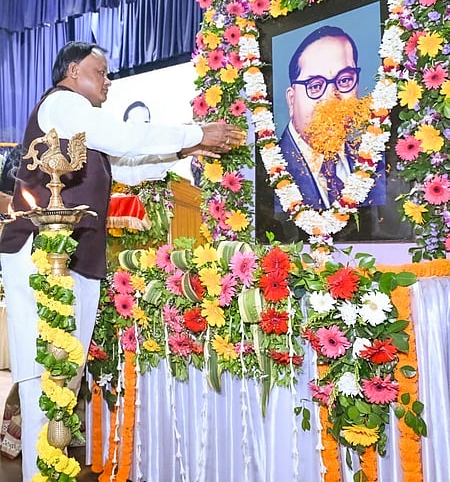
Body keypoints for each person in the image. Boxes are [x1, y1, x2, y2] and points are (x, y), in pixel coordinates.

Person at [0, 41, 244, 481]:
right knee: (45, 378)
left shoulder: (82, 124)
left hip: (74, 258)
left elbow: (126, 165)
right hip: (43, 258)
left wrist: (183, 151)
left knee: (65, 376)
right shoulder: (64, 104)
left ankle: (51, 469)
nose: (109, 82)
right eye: (101, 72)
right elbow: (123, 138)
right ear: (73, 72)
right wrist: (194, 133)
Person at [278, 25, 386, 211]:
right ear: (291, 100)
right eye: (315, 85)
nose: (331, 99)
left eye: (344, 80)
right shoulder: (269, 170)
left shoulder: (379, 163)